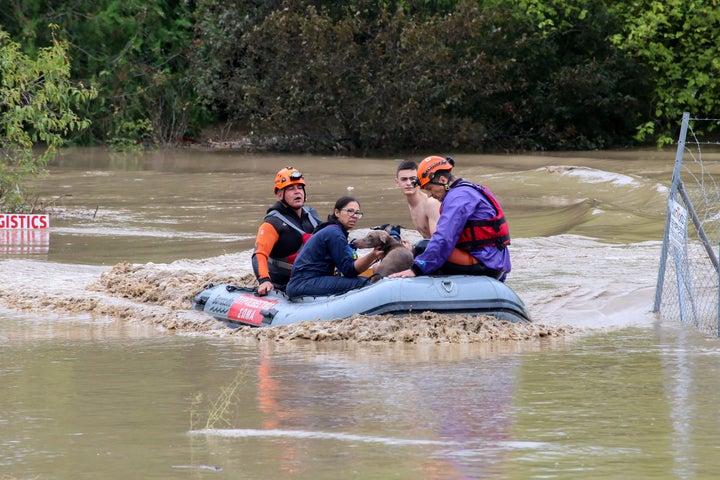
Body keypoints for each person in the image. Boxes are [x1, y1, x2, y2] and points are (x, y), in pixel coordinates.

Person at [389, 156, 511, 281]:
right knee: (426, 249)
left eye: (430, 189)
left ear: (442, 180)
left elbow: (443, 238)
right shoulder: (466, 189)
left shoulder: (457, 197)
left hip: (486, 264)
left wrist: (417, 269)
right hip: (492, 261)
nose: (429, 195)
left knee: (423, 247)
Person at [286, 196, 385, 298]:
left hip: (308, 281)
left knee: (367, 280)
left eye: (357, 213)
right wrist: (373, 255)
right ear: (337, 212)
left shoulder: (332, 230)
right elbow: (349, 271)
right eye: (350, 211)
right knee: (365, 283)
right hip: (304, 283)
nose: (354, 216)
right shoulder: (334, 233)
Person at [252, 166, 321, 295]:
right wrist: (264, 280)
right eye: (291, 189)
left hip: (312, 276)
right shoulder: (272, 223)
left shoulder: (311, 215)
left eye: (300, 188)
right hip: (286, 284)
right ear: (279, 194)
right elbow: (259, 254)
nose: (297, 192)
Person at [395, 159, 441, 239]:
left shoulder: (431, 203)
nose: (409, 183)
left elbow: (438, 241)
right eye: (404, 179)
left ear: (419, 180)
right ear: (397, 183)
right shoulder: (411, 204)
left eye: (412, 179)